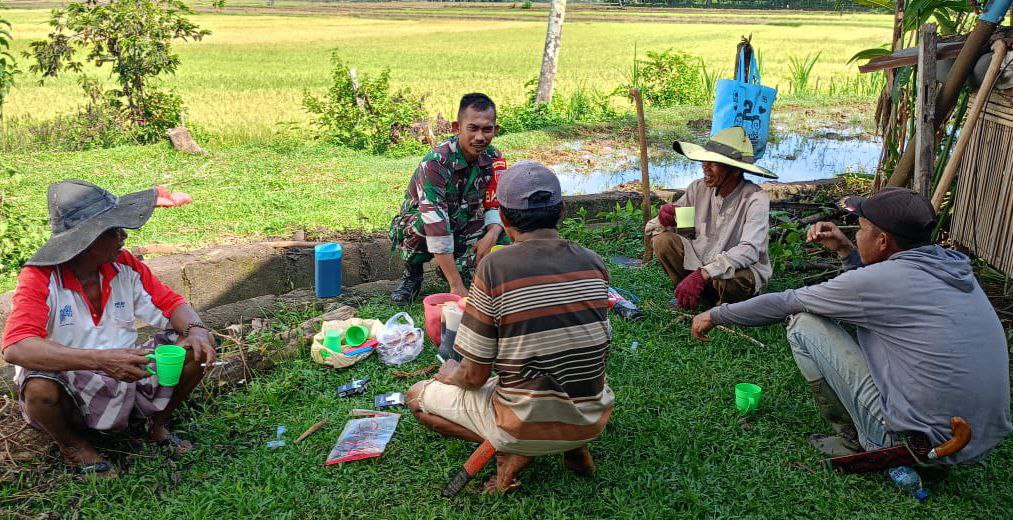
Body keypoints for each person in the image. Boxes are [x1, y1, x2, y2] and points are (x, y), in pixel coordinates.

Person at [691, 187, 1012, 461]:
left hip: (916, 448)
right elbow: (874, 291)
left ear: (883, 241)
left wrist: (715, 315)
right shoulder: (951, 268)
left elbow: (787, 301)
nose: (856, 235)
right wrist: (846, 250)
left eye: (860, 229)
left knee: (802, 324)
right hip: (972, 441)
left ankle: (859, 439)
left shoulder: (886, 280)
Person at [406, 161, 614, 492]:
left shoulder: (495, 266)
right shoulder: (594, 261)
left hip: (524, 421)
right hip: (592, 417)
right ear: (561, 211)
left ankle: (514, 448)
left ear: (503, 218)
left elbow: (473, 377)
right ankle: (574, 447)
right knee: (553, 365)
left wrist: (451, 374)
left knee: (417, 396)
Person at [1, 180, 216, 477]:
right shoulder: (40, 277)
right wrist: (100, 360)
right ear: (86, 240)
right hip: (71, 379)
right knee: (39, 388)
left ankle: (157, 426)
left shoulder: (124, 265)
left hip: (128, 370)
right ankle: (74, 447)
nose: (123, 236)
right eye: (113, 230)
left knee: (195, 348)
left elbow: (171, 304)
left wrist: (197, 329)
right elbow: (17, 347)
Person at [389, 93, 509, 305]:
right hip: (423, 225)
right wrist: (456, 286)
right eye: (473, 128)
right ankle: (413, 274)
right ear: (456, 127)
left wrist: (491, 234)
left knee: (504, 239)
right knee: (424, 225)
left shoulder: (494, 158)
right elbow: (435, 221)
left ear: (495, 129)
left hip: (464, 222)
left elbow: (495, 202)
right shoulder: (437, 161)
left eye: (487, 129)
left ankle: (456, 268)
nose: (480, 137)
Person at [647, 126, 778, 309]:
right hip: (701, 264)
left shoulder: (755, 199)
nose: (705, 167)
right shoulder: (698, 188)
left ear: (735, 171)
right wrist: (666, 217)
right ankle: (691, 294)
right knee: (663, 241)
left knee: (731, 277)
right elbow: (681, 227)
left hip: (732, 273)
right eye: (705, 161)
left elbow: (749, 250)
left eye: (713, 163)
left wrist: (704, 273)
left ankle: (725, 307)